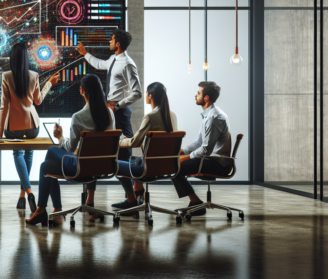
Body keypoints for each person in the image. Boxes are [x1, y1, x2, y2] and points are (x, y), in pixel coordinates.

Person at [26, 75, 115, 226]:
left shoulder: (78, 117)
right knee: (46, 165)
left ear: (82, 91)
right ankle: (52, 209)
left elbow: (70, 148)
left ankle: (49, 209)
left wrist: (60, 137)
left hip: (80, 168)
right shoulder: (110, 114)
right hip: (103, 166)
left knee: (50, 155)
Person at [77, 29, 142, 209]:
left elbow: (137, 92)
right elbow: (100, 64)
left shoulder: (128, 64)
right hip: (110, 110)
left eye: (112, 39)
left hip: (119, 112)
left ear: (118, 44)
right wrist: (85, 54)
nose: (109, 42)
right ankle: (131, 198)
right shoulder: (114, 59)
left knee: (124, 154)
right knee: (105, 152)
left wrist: (117, 105)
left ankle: (135, 197)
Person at [0, 43, 59, 213]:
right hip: (32, 125)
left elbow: (4, 106)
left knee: (17, 153)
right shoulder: (34, 75)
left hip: (13, 127)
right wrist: (50, 84)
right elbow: (38, 101)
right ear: (25, 58)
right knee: (28, 152)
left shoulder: (6, 76)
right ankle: (22, 194)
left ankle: (29, 192)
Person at [113, 82, 178, 212]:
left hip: (150, 167)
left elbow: (135, 142)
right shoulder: (172, 115)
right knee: (135, 160)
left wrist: (119, 141)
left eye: (146, 94)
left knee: (115, 164)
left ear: (150, 96)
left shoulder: (150, 116)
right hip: (169, 165)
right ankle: (138, 196)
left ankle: (135, 199)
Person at [173, 81, 232, 216]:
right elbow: (198, 142)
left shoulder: (214, 117)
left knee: (175, 167)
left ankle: (196, 203)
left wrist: (185, 158)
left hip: (218, 163)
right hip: (211, 159)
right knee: (175, 162)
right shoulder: (209, 114)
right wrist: (179, 152)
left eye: (198, 93)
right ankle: (195, 203)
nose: (195, 95)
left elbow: (206, 150)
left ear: (206, 98)